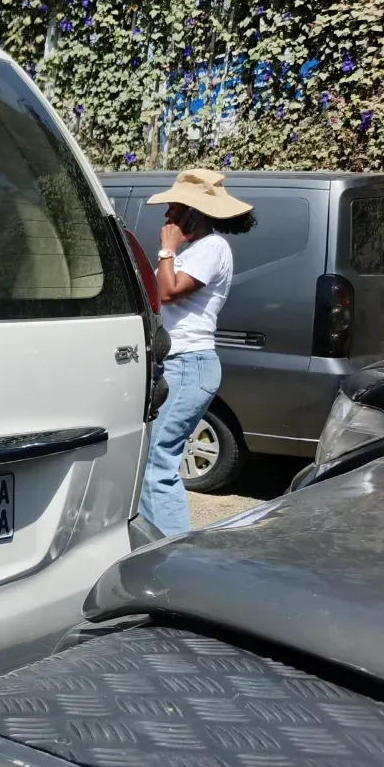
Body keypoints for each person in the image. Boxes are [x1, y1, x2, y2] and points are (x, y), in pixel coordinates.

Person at [139, 168, 256, 535]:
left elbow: (168, 291)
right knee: (153, 461)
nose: (167, 217)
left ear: (193, 212)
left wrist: (167, 248)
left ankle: (169, 555)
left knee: (158, 464)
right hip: (178, 363)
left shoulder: (213, 247)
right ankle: (157, 546)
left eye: (173, 209)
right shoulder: (196, 249)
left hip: (190, 364)